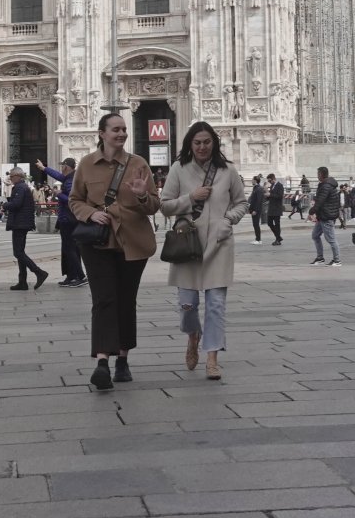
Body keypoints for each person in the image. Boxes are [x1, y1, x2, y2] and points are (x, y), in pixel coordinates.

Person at [69, 112, 159, 391]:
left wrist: (143, 193)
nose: (121, 134)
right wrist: (90, 214)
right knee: (103, 299)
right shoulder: (86, 164)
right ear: (101, 133)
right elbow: (74, 200)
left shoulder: (138, 164)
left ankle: (123, 358)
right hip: (98, 242)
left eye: (124, 130)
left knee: (125, 299)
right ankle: (102, 362)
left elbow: (154, 206)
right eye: (115, 130)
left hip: (132, 241)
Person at [159, 121, 248, 381]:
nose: (201, 147)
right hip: (187, 245)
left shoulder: (227, 170)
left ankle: (212, 357)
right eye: (196, 143)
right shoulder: (179, 169)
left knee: (216, 305)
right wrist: (191, 198)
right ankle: (192, 336)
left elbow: (242, 203)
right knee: (187, 306)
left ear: (214, 144)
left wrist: (228, 220)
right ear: (190, 144)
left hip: (219, 245)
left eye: (206, 142)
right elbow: (164, 206)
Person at [37, 158, 87, 286]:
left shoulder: (71, 180)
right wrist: (44, 168)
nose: (61, 168)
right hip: (68, 219)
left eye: (62, 166)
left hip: (69, 219)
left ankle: (80, 276)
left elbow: (72, 199)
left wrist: (59, 194)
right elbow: (58, 176)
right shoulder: (70, 177)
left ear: (66, 166)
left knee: (70, 248)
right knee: (69, 249)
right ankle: (71, 276)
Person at [2, 167, 49, 291]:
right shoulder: (23, 187)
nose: (10, 179)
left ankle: (39, 272)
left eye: (11, 176)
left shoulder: (19, 187)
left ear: (18, 176)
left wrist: (5, 205)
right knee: (20, 252)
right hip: (22, 222)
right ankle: (22, 281)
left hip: (20, 223)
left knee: (18, 252)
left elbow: (16, 204)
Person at [308, 167, 342, 266]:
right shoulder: (325, 185)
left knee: (331, 239)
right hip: (322, 215)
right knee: (315, 235)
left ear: (322, 174)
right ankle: (320, 258)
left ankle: (337, 260)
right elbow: (321, 198)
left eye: (318, 173)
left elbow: (320, 202)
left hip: (326, 216)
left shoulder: (326, 186)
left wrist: (311, 211)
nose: (317, 175)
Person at [264, 173, 284, 245]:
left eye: (270, 181)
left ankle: (277, 240)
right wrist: (267, 195)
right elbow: (271, 196)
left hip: (277, 208)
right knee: (269, 223)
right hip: (271, 208)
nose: (269, 182)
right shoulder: (272, 186)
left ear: (273, 179)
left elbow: (280, 196)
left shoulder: (280, 185)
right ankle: (278, 237)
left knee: (277, 224)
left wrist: (270, 195)